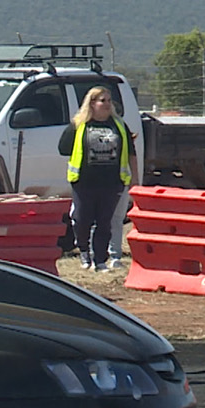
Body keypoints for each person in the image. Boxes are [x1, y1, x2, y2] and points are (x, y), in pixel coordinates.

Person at [58, 87, 136, 272]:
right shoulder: (79, 125)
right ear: (92, 103)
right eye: (103, 100)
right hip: (84, 182)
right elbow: (63, 148)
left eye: (109, 100)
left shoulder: (119, 125)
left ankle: (100, 260)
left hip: (111, 182)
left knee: (105, 222)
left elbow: (131, 153)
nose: (107, 104)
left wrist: (135, 180)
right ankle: (84, 251)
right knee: (82, 220)